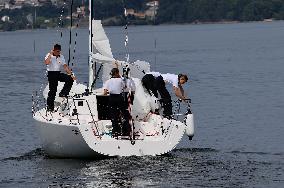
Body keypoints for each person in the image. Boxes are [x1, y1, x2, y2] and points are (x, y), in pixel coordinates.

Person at [44, 44, 75, 112]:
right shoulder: (49, 55)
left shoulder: (61, 56)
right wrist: (50, 55)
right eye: (57, 51)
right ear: (54, 50)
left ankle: (63, 93)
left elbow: (65, 66)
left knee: (70, 79)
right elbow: (46, 62)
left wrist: (71, 74)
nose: (58, 52)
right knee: (53, 91)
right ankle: (50, 107)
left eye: (59, 51)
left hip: (58, 73)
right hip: (51, 74)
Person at [103, 68, 125, 136]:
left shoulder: (108, 81)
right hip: (119, 97)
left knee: (113, 114)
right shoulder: (121, 80)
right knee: (121, 113)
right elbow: (124, 87)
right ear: (117, 73)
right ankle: (123, 129)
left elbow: (105, 93)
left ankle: (115, 130)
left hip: (112, 98)